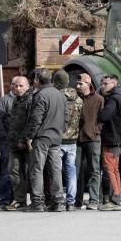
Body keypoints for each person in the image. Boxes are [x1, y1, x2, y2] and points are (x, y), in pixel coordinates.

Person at [24, 69, 69, 212]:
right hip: (56, 137)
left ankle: (37, 202)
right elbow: (66, 117)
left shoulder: (40, 95)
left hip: (42, 137)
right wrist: (61, 130)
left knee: (37, 169)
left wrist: (30, 136)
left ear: (37, 80)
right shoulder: (60, 95)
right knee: (56, 170)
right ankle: (59, 201)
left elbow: (36, 118)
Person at [98, 74, 121, 211]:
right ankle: (117, 196)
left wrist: (98, 114)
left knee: (109, 169)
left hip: (112, 139)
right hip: (117, 140)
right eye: (102, 83)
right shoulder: (119, 97)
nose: (103, 86)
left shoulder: (113, 99)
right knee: (115, 169)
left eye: (106, 83)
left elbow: (105, 115)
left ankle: (113, 200)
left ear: (114, 84)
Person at [53, 70, 82, 211]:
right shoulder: (78, 99)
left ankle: (58, 200)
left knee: (56, 171)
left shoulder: (57, 97)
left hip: (58, 139)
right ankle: (71, 202)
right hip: (73, 140)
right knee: (71, 171)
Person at [75, 72, 103, 210]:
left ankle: (93, 200)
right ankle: (77, 200)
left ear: (88, 84)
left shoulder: (98, 99)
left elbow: (102, 119)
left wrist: (95, 131)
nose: (78, 86)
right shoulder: (75, 98)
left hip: (93, 139)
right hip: (77, 139)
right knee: (76, 171)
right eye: (77, 83)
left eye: (80, 83)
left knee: (94, 170)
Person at [5, 76, 32, 211]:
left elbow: (31, 122)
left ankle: (37, 200)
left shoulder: (31, 100)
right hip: (14, 143)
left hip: (27, 143)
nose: (18, 88)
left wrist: (23, 139)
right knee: (13, 170)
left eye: (21, 86)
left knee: (33, 172)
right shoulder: (16, 100)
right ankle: (20, 200)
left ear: (28, 86)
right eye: (15, 86)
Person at [0, 77, 17, 210]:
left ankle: (17, 199)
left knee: (19, 171)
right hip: (7, 142)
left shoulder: (25, 100)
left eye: (19, 85)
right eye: (13, 84)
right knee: (7, 171)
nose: (15, 87)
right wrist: (4, 137)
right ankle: (5, 200)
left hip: (20, 142)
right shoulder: (4, 101)